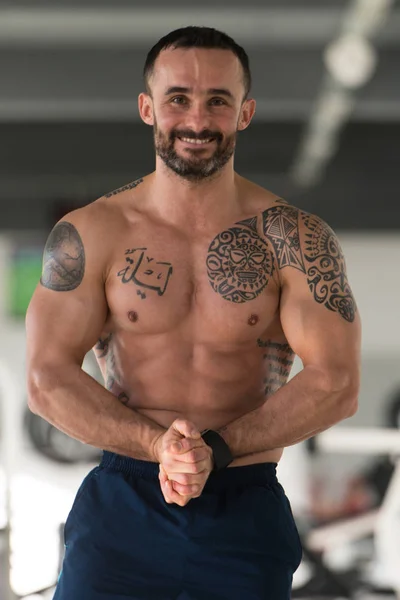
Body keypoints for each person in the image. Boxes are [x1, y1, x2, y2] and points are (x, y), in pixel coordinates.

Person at [26, 26, 361, 600]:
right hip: (123, 503)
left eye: (218, 101)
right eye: (178, 98)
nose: (197, 120)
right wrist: (158, 448)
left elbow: (337, 383)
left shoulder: (294, 239)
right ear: (147, 107)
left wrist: (217, 449)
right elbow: (45, 377)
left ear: (246, 112)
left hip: (243, 498)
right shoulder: (92, 232)